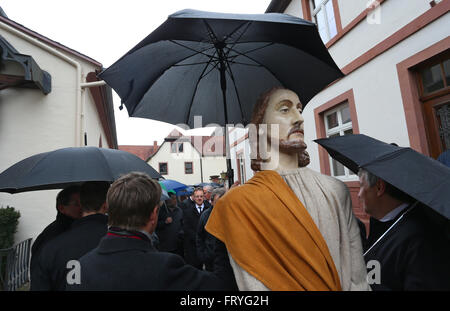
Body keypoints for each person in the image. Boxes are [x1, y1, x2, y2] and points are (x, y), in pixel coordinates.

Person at [206, 87, 369, 291]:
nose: (298, 118)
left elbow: (359, 279)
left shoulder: (335, 190)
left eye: (299, 109)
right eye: (285, 109)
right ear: (261, 127)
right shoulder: (237, 203)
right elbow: (249, 283)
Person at [66, 172, 237, 291]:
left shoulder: (81, 267)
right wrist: (224, 227)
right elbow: (222, 287)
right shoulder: (166, 268)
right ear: (153, 215)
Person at [358, 168, 450, 290]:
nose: (359, 194)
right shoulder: (382, 224)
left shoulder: (420, 240)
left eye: (361, 186)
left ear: (379, 187)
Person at [31, 181, 110, 290]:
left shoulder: (54, 245)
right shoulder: (51, 237)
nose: (80, 209)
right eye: (76, 204)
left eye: (80, 203)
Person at [30, 185, 81, 285]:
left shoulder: (78, 229)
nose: (82, 208)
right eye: (76, 204)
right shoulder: (51, 236)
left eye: (84, 203)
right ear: (62, 208)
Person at [196, 187, 226, 271]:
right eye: (217, 202)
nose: (220, 205)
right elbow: (199, 236)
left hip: (227, 259)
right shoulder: (205, 216)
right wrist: (203, 256)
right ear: (212, 202)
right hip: (211, 260)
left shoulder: (230, 214)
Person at [181, 187, 212, 269]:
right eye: (197, 196)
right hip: (193, 247)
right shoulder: (188, 211)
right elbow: (186, 228)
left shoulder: (210, 210)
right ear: (193, 197)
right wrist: (198, 239)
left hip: (207, 246)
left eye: (201, 196)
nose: (199, 198)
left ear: (204, 197)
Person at [156, 191, 184, 257]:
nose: (175, 200)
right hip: (165, 246)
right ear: (167, 200)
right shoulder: (160, 211)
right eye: (172, 198)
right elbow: (155, 226)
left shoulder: (179, 211)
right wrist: (164, 222)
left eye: (175, 198)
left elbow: (183, 224)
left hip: (178, 245)